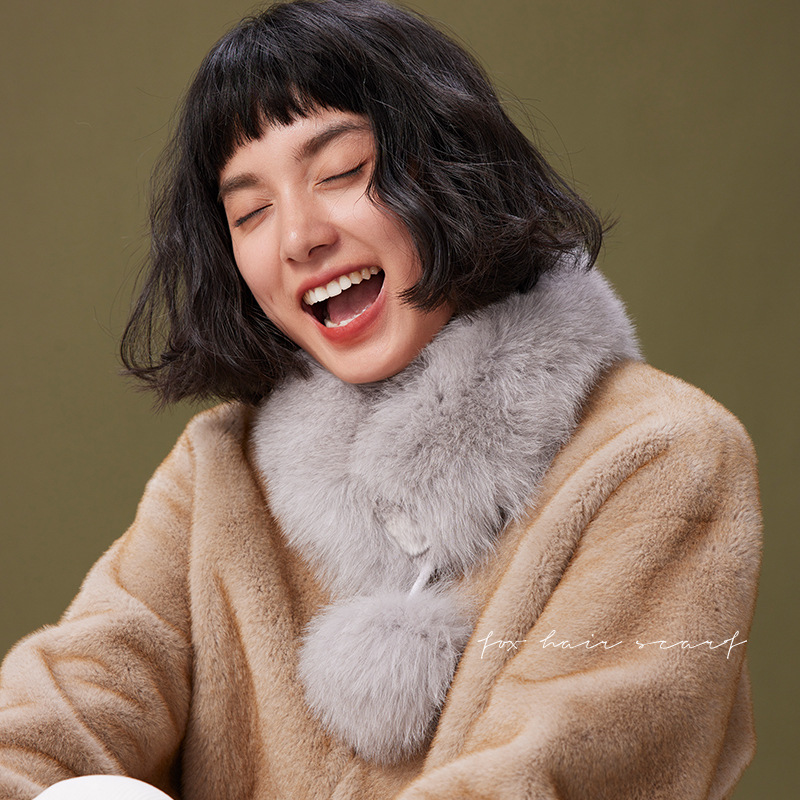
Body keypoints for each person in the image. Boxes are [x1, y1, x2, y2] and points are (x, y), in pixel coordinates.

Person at [0, 1, 761, 798]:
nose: (299, 237)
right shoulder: (219, 471)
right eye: (250, 212)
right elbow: (56, 712)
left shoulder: (660, 454)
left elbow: (555, 769)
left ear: (453, 162)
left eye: (340, 172)